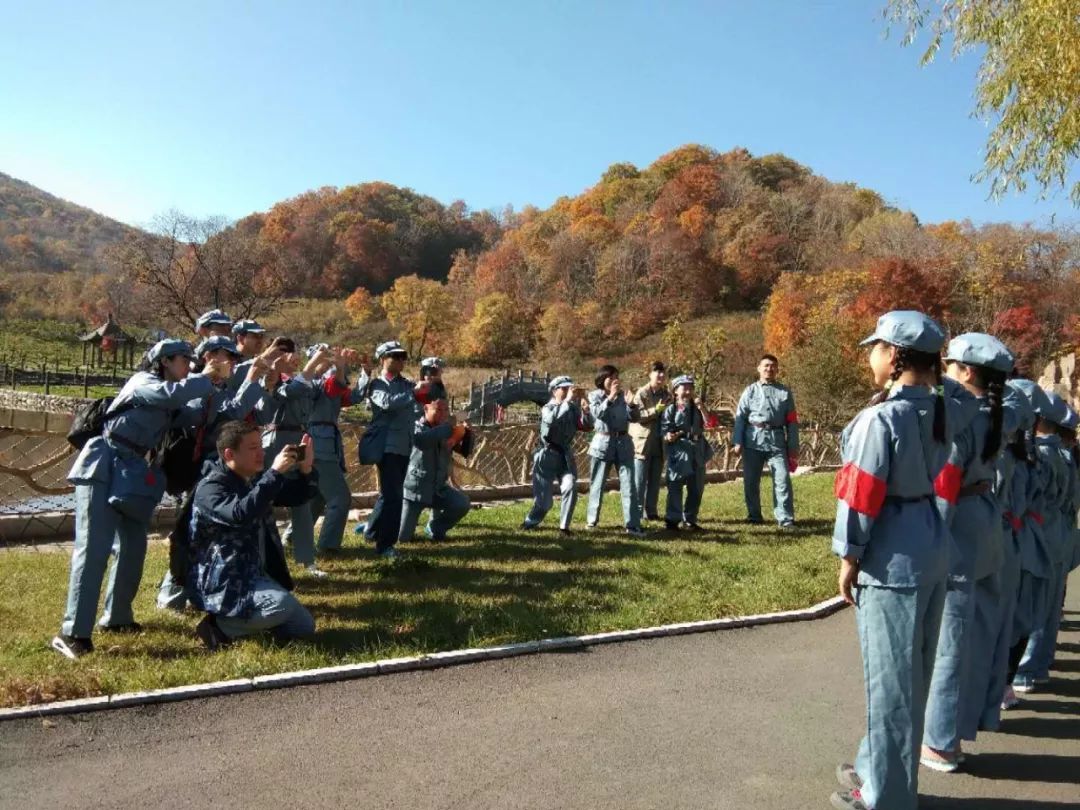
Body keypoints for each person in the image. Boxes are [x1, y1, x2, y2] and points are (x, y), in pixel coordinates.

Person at [829, 311, 960, 810]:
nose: (871, 356)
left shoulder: (881, 418)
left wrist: (850, 556)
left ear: (894, 356)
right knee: (914, 675)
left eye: (876, 347)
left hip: (892, 556)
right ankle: (875, 767)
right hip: (929, 543)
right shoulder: (939, 411)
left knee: (889, 684)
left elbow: (861, 493)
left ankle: (886, 796)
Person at [51, 339, 230, 659]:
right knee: (93, 550)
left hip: (132, 475)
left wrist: (215, 384)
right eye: (184, 360)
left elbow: (193, 415)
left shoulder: (173, 392)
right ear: (164, 361)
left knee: (133, 548)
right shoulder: (143, 382)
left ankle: (117, 618)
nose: (189, 365)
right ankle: (73, 632)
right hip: (103, 467)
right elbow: (172, 395)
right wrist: (204, 377)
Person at [921, 334, 1013, 773]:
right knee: (975, 637)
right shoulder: (999, 413)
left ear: (968, 372)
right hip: (986, 522)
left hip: (958, 526)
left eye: (951, 364)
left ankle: (939, 741)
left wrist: (929, 539)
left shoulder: (959, 417)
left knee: (950, 643)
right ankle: (954, 735)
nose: (946, 371)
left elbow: (945, 485)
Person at [155, 335, 279, 612]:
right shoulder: (197, 385)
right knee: (187, 533)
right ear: (209, 357)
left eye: (234, 358)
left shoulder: (218, 386)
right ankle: (171, 594)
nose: (232, 363)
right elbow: (223, 417)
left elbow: (251, 417)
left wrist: (261, 385)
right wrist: (252, 381)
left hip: (223, 467)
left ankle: (214, 588)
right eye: (227, 357)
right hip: (198, 470)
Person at [187, 422, 318, 649]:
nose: (262, 453)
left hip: (253, 574)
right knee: (281, 606)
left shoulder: (251, 480)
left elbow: (296, 496)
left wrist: (306, 470)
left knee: (304, 626)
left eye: (260, 446)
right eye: (252, 448)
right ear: (229, 454)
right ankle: (217, 628)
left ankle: (248, 623)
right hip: (224, 579)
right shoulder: (211, 488)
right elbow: (239, 514)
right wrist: (274, 473)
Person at [256, 341, 333, 575]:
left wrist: (328, 365)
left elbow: (316, 387)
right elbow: (291, 391)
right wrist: (314, 361)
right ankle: (261, 562)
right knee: (264, 502)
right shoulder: (271, 383)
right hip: (275, 445)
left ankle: (307, 560)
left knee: (302, 500)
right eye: (286, 353)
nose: (293, 356)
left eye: (294, 352)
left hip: (300, 440)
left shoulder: (304, 382)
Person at [1014, 391, 1072, 691]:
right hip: (1058, 529)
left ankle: (1024, 669)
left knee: (1031, 603)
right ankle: (1037, 665)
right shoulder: (1063, 455)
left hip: (1037, 530)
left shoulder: (1040, 455)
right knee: (1047, 605)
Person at [1004, 380, 1055, 698]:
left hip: (1012, 538)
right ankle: (1011, 680)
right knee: (1024, 613)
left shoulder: (1011, 454)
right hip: (1034, 536)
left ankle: (1007, 680)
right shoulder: (1040, 455)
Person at [309, 345, 370, 554]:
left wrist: (366, 372)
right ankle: (328, 546)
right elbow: (334, 385)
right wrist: (340, 368)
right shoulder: (312, 382)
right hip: (319, 447)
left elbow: (353, 397)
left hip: (324, 446)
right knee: (340, 498)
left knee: (317, 496)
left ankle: (293, 536)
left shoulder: (326, 383)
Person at [732, 354, 799, 527]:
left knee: (782, 479)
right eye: (766, 366)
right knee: (751, 480)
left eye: (773, 366)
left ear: (777, 369)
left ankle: (785, 518)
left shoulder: (785, 393)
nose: (769, 369)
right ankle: (754, 515)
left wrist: (793, 447)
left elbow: (792, 421)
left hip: (776, 442)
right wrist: (737, 441)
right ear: (759, 368)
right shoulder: (750, 391)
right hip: (753, 441)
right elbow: (740, 418)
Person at [362, 340, 416, 559]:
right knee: (394, 497)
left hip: (404, 445)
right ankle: (385, 545)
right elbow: (387, 403)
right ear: (383, 359)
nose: (401, 360)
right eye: (395, 356)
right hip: (387, 446)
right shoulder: (377, 384)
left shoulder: (407, 384)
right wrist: (413, 394)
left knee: (389, 494)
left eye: (403, 356)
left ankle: (372, 531)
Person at [521, 376, 593, 534]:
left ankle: (564, 527)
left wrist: (586, 411)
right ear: (554, 391)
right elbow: (551, 421)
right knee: (544, 502)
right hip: (546, 455)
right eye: (564, 388)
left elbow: (587, 427)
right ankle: (529, 523)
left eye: (570, 388)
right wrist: (567, 401)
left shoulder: (573, 408)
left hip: (565, 455)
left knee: (570, 486)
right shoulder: (547, 407)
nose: (568, 391)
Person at [398, 398, 471, 542]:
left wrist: (467, 434)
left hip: (438, 490)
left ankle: (435, 528)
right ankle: (372, 525)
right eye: (438, 410)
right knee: (402, 538)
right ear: (426, 409)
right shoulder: (415, 427)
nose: (443, 414)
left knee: (462, 504)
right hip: (414, 493)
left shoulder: (447, 431)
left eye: (446, 410)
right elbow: (423, 441)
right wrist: (448, 429)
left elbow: (465, 451)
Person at [586, 365, 645, 537]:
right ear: (602, 379)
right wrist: (610, 397)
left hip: (624, 443)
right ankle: (592, 522)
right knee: (597, 484)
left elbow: (635, 418)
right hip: (602, 443)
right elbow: (598, 414)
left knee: (629, 485)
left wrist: (632, 405)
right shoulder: (594, 396)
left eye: (616, 377)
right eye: (610, 378)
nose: (614, 381)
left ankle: (632, 525)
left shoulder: (624, 396)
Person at [661, 375, 711, 531]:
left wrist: (702, 407)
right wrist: (669, 436)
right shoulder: (671, 409)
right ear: (676, 390)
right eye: (684, 387)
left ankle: (690, 519)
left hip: (698, 448)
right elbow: (664, 430)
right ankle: (672, 519)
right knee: (675, 484)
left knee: (697, 486)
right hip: (680, 449)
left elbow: (709, 423)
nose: (688, 391)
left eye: (691, 387)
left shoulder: (697, 407)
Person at [630, 361, 672, 522]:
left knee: (655, 480)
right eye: (657, 372)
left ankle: (651, 512)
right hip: (642, 443)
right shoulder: (642, 393)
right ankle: (637, 513)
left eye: (663, 372)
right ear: (650, 374)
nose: (661, 375)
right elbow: (637, 417)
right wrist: (657, 410)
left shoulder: (666, 394)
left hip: (659, 443)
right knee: (639, 481)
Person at [227, 318, 267, 393]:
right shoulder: (228, 361)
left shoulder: (259, 361)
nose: (259, 340)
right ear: (241, 339)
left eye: (261, 336)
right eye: (255, 336)